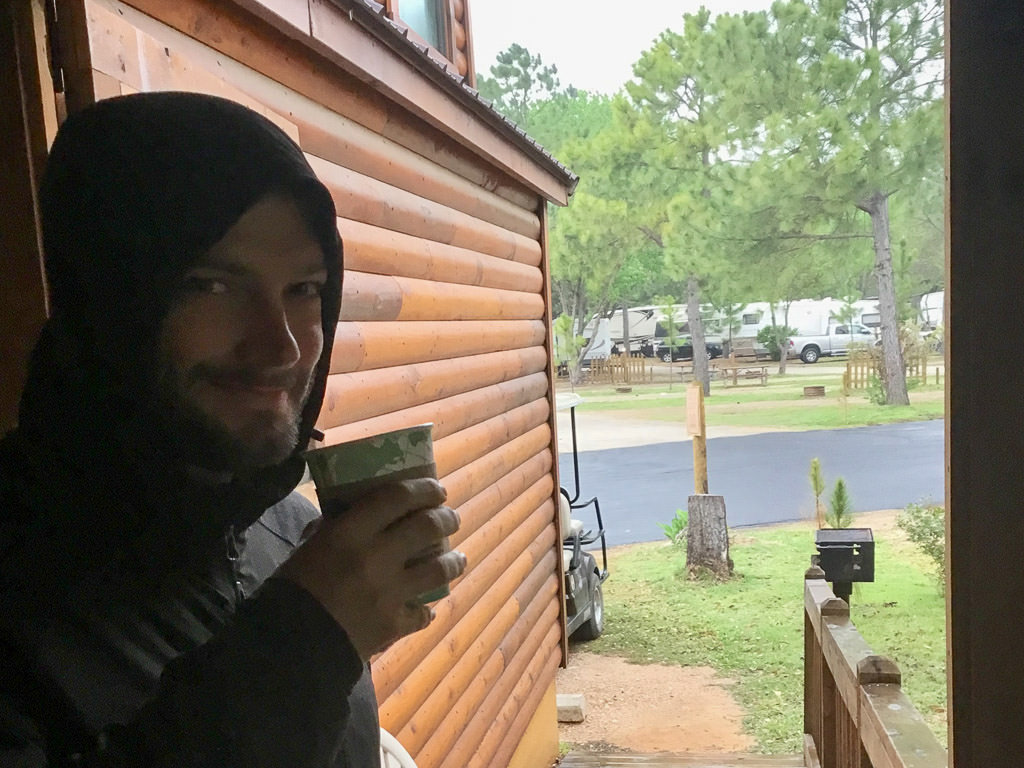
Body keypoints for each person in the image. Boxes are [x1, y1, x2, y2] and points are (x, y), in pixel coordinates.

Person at [0, 92, 465, 766]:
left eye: (304, 289)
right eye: (213, 285)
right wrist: (309, 640)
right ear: (108, 298)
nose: (281, 346)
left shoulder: (287, 531)